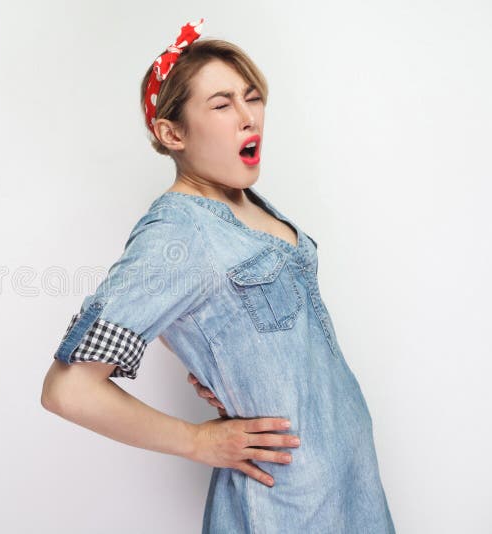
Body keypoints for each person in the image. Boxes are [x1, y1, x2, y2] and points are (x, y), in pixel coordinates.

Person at [41, 18, 395, 533]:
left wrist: (222, 361)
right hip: (284, 508)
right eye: (223, 104)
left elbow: (226, 313)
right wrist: (197, 440)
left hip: (350, 492)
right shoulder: (176, 235)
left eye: (252, 98)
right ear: (171, 133)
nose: (249, 118)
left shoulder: (245, 202)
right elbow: (68, 389)